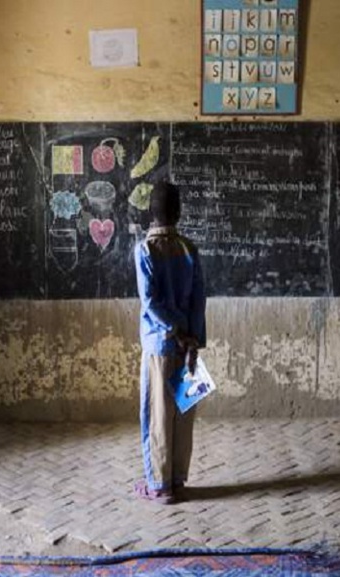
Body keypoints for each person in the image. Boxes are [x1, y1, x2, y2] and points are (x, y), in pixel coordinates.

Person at [133, 181, 206, 505]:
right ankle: (178, 478)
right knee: (183, 414)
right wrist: (193, 339)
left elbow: (150, 302)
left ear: (151, 213)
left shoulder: (144, 250)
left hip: (160, 347)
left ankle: (160, 485)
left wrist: (174, 331)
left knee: (158, 415)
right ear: (179, 212)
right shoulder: (190, 249)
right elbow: (199, 299)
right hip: (188, 346)